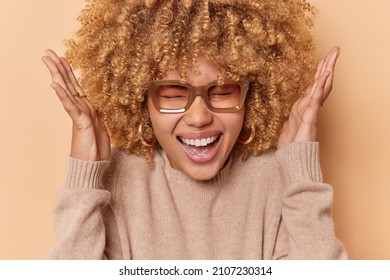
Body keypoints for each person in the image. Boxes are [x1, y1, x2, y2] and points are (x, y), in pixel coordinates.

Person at [42, 0, 347, 259]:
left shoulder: (276, 181)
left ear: (250, 96)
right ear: (140, 100)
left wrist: (301, 174)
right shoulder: (119, 181)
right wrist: (84, 178)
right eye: (173, 93)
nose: (199, 117)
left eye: (223, 90)